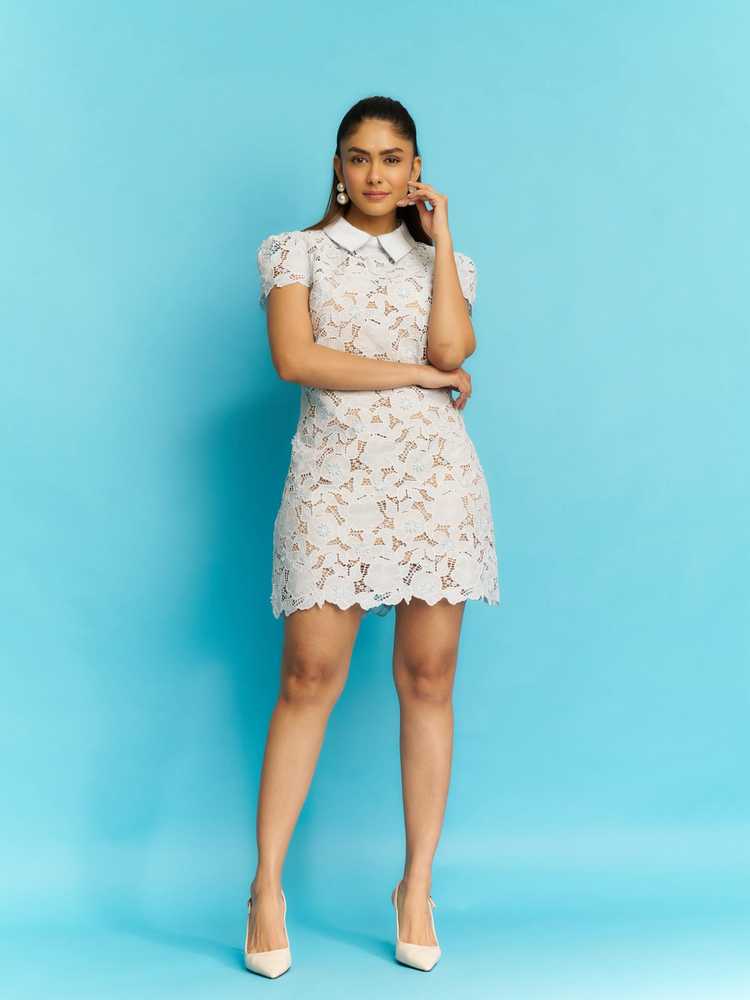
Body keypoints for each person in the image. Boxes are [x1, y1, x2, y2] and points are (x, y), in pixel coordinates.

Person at [244, 96, 500, 978]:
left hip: (435, 486)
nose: (376, 173)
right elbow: (297, 360)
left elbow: (453, 349)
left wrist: (441, 239)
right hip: (334, 483)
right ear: (338, 168)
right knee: (307, 679)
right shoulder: (295, 253)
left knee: (429, 680)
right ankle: (266, 889)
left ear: (417, 170)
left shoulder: (451, 263)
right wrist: (416, 377)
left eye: (393, 159)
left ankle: (416, 886)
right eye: (359, 157)